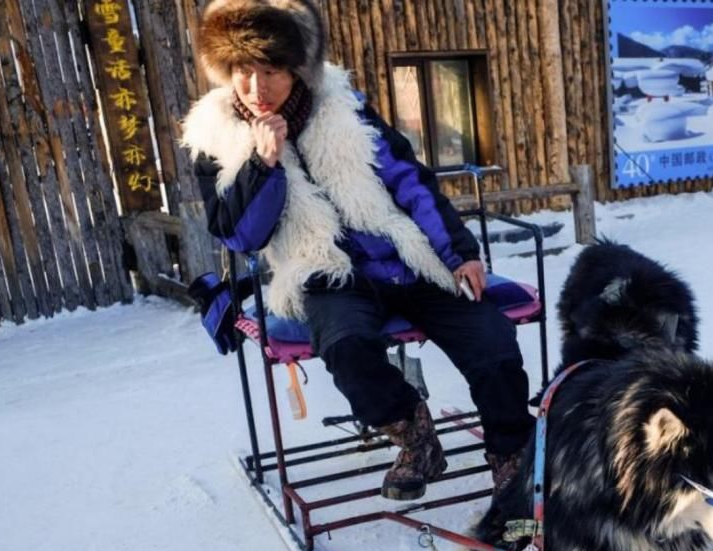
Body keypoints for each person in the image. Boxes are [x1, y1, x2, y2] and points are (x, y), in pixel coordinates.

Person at [181, 0, 532, 500]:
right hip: (325, 275)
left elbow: (410, 182)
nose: (257, 88)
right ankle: (415, 437)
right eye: (243, 71)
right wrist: (264, 165)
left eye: (271, 70)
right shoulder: (216, 139)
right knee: (347, 349)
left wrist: (459, 252)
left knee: (492, 340)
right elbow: (241, 237)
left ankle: (512, 456)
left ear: (297, 68)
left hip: (405, 260)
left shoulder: (343, 109)